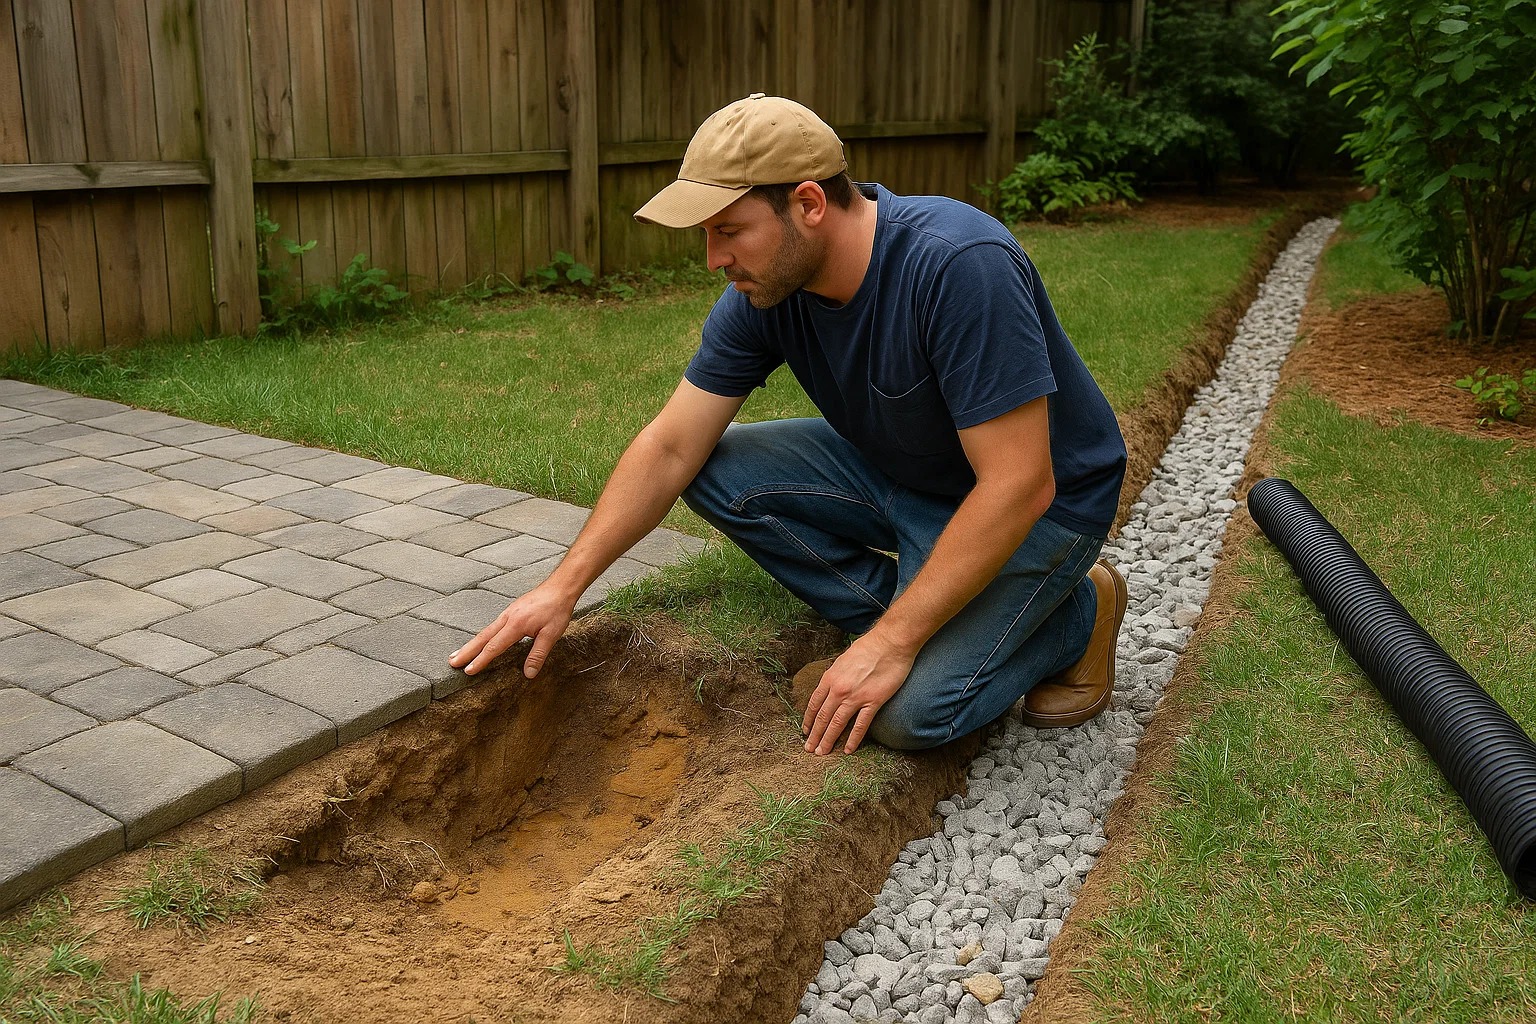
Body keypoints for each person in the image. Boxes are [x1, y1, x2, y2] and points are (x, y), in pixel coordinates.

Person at [450, 94, 1129, 757]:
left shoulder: (956, 264)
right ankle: (939, 613)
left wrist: (892, 644)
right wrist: (560, 589)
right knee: (714, 465)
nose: (714, 258)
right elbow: (671, 444)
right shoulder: (767, 290)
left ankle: (1075, 615)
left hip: (1040, 506)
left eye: (728, 229)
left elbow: (1019, 482)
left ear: (807, 204)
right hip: (909, 471)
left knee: (905, 716)